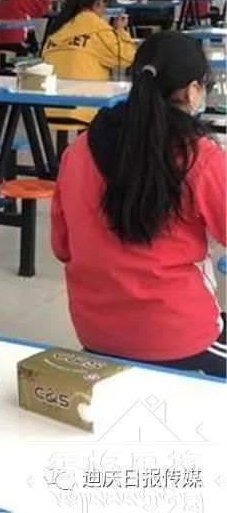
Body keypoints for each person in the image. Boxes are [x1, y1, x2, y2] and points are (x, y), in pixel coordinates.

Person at [51, 32, 226, 378]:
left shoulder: (80, 150)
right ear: (193, 91)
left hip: (96, 333)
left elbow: (62, 246)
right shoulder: (200, 158)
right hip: (179, 335)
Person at [42, 0, 136, 124]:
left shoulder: (56, 29)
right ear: (99, 2)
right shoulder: (98, 28)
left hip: (48, 108)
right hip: (87, 107)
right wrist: (121, 30)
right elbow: (127, 58)